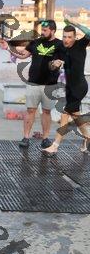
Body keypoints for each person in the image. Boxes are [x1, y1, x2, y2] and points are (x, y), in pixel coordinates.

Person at [1, 20, 64, 148]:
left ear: (52, 31)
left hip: (50, 85)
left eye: (45, 30)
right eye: (42, 29)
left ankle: (45, 138)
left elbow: (63, 60)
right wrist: (8, 48)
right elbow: (22, 55)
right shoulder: (35, 42)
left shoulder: (59, 44)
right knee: (30, 110)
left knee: (46, 111)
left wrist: (58, 63)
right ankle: (26, 137)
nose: (42, 32)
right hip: (33, 83)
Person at [42, 20, 90, 155]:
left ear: (75, 37)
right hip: (70, 88)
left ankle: (55, 146)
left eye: (69, 37)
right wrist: (54, 64)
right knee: (76, 116)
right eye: (64, 36)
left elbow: (89, 33)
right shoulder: (61, 49)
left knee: (65, 113)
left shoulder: (80, 44)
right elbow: (50, 66)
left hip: (80, 87)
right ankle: (88, 137)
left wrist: (73, 22)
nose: (66, 39)